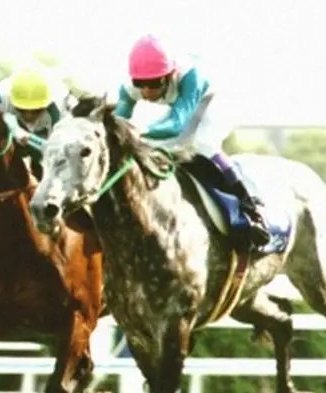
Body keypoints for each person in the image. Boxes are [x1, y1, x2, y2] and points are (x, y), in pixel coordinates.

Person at [114, 34, 270, 247]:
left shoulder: (191, 77)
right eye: (140, 83)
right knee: (156, 147)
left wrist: (136, 132)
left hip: (220, 99)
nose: (147, 91)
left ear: (169, 74)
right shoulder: (129, 89)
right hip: (189, 106)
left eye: (154, 83)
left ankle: (251, 205)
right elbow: (116, 123)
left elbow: (176, 124)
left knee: (203, 144)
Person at [0, 67, 71, 179]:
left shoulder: (60, 109)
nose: (29, 116)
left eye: (36, 110)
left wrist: (26, 136)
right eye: (21, 109)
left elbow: (59, 154)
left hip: (48, 138)